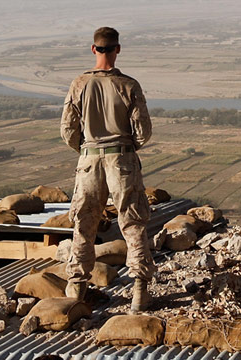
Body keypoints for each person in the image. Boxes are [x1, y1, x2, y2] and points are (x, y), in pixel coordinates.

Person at [60, 27, 156, 312]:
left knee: (84, 224)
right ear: (118, 49)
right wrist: (126, 148)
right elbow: (143, 131)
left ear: (93, 49)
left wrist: (87, 148)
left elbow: (67, 130)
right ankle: (139, 291)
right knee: (133, 222)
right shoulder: (129, 85)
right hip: (122, 160)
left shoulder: (79, 84)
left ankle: (77, 288)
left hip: (89, 161)